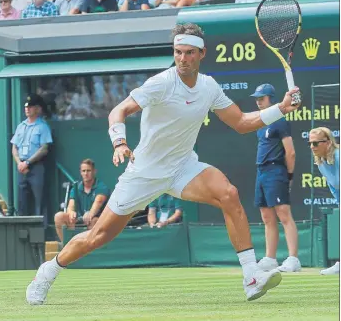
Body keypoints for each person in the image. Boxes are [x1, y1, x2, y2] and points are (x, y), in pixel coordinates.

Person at [26, 23, 302, 305]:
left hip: (183, 167)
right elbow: (119, 110)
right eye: (178, 52)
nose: (182, 59)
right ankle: (48, 272)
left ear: (201, 53)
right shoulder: (161, 83)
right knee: (97, 236)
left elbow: (242, 123)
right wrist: (120, 143)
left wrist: (280, 108)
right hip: (144, 173)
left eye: (189, 53)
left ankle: (251, 277)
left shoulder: (208, 87)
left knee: (228, 194)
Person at [250, 84, 301, 273]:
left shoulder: (280, 122)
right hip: (261, 172)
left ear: (271, 98)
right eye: (257, 98)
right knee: (266, 216)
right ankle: (270, 258)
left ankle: (293, 258)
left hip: (275, 170)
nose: (258, 101)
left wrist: (288, 176)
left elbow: (291, 152)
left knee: (283, 214)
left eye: (261, 98)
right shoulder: (260, 123)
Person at [11, 94, 53, 219]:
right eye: (26, 107)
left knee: (39, 199)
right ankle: (22, 230)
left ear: (38, 109)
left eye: (31, 107)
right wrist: (19, 162)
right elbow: (14, 147)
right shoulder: (21, 126)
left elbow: (44, 148)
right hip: (21, 167)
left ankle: (41, 231)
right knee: (22, 200)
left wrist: (28, 163)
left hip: (36, 166)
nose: (27, 109)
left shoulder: (42, 126)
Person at [54, 159, 110, 243]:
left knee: (94, 220)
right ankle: (66, 246)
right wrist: (71, 212)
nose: (86, 173)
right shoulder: (76, 187)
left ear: (94, 171)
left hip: (97, 220)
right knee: (59, 216)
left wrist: (90, 213)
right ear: (80, 172)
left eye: (88, 171)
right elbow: (70, 206)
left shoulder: (102, 187)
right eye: (83, 171)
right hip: (79, 219)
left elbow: (98, 203)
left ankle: (89, 250)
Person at [308, 127, 339, 275]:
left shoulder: (338, 156)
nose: (312, 147)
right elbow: (334, 187)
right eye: (310, 143)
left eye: (315, 143)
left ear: (327, 143)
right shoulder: (320, 163)